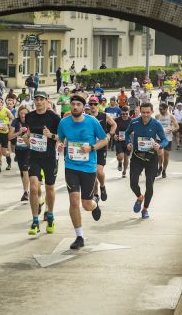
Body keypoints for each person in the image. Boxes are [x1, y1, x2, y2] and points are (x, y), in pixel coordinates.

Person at [57, 95, 107, 249]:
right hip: (71, 167)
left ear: (83, 107)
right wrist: (59, 145)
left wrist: (91, 148)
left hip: (88, 168)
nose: (75, 107)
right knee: (73, 201)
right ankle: (79, 236)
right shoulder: (64, 122)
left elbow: (104, 140)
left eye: (78, 104)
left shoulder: (92, 121)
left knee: (86, 204)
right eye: (73, 104)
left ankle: (95, 204)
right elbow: (60, 139)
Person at [25, 91, 60, 236]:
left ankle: (50, 216)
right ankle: (35, 221)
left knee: (50, 188)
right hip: (34, 156)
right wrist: (27, 139)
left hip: (50, 157)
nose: (38, 102)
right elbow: (28, 135)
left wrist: (50, 135)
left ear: (47, 101)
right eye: (36, 99)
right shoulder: (29, 116)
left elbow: (61, 138)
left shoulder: (54, 118)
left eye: (41, 99)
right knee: (33, 188)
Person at [125, 103, 168, 219]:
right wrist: (128, 142)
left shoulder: (156, 124)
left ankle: (145, 209)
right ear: (140, 111)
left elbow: (165, 140)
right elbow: (127, 133)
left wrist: (159, 145)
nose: (145, 115)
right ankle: (139, 197)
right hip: (137, 156)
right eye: (143, 112)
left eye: (147, 112)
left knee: (149, 185)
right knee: (133, 183)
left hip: (151, 158)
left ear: (152, 112)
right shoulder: (134, 122)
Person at [87, 96, 116, 202]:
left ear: (98, 104)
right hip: (90, 148)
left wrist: (109, 134)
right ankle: (96, 195)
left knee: (99, 172)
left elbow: (114, 125)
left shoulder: (104, 116)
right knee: (93, 173)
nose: (93, 106)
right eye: (91, 104)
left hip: (101, 146)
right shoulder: (86, 117)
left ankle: (102, 186)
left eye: (95, 104)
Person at [8, 105, 31, 201]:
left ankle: (26, 192)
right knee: (23, 171)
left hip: (29, 149)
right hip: (19, 149)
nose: (23, 115)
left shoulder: (31, 121)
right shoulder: (15, 121)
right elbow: (9, 136)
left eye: (25, 113)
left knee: (25, 170)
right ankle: (26, 189)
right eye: (21, 113)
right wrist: (19, 132)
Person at [155, 103, 179, 178]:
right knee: (159, 153)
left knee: (166, 155)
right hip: (159, 138)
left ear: (166, 109)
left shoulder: (171, 117)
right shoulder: (157, 116)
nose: (160, 110)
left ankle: (164, 170)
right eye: (159, 109)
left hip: (168, 138)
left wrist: (171, 129)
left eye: (161, 109)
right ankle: (160, 167)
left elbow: (177, 126)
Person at [0, 96, 14, 174]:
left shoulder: (6, 110)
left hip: (4, 133)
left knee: (4, 152)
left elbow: (12, 118)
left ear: (2, 103)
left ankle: (8, 159)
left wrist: (7, 125)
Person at [114, 106, 132, 177]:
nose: (124, 115)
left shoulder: (131, 121)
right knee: (120, 156)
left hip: (127, 141)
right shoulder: (117, 120)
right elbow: (112, 128)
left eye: (126, 114)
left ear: (128, 113)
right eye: (123, 114)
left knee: (126, 157)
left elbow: (134, 129)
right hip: (119, 140)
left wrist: (132, 133)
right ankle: (119, 162)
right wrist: (114, 135)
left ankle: (124, 171)